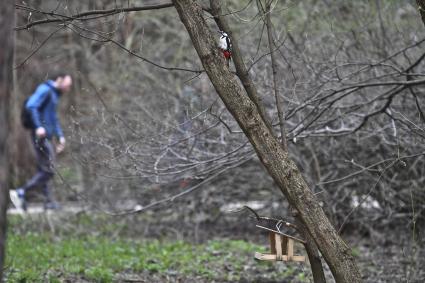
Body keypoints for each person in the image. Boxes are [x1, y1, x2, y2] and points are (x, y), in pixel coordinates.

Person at [10, 73, 72, 211]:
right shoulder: (45, 89)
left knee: (45, 168)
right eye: (67, 85)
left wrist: (60, 135)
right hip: (40, 135)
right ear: (59, 80)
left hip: (47, 135)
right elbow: (31, 106)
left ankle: (48, 201)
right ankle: (21, 192)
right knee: (49, 170)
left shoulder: (54, 94)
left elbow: (53, 117)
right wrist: (38, 126)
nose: (68, 88)